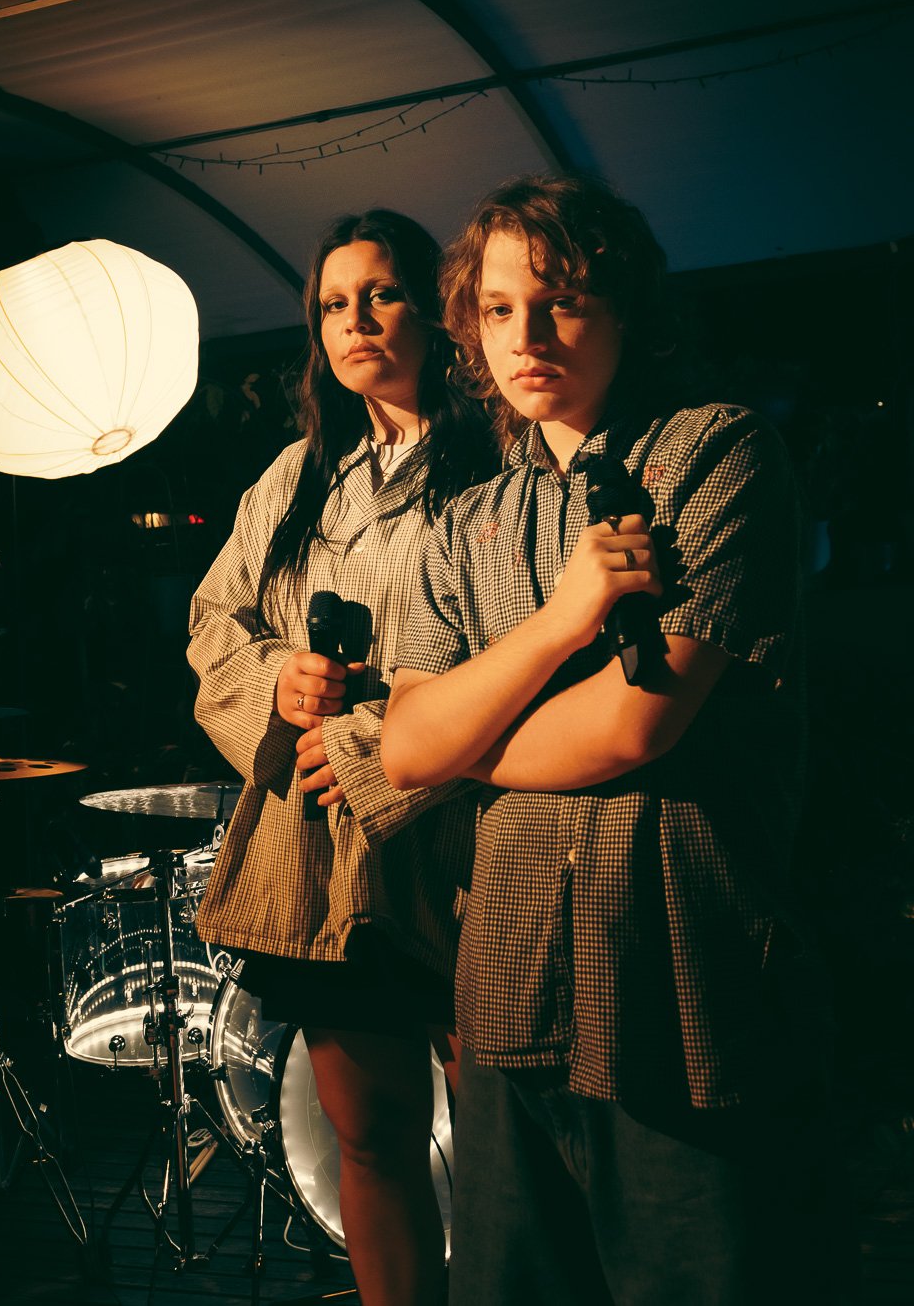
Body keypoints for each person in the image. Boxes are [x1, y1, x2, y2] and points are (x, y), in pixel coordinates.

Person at [381, 175, 839, 1305]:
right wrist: (560, 621)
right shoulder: (460, 521)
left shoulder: (711, 453)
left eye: (562, 299)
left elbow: (636, 722)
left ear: (628, 309)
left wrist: (469, 736)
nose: (526, 335)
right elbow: (402, 747)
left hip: (683, 966)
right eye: (496, 310)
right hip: (511, 977)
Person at [188, 209, 498, 1306]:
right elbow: (213, 620)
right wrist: (280, 679)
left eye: (382, 293)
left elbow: (518, 645)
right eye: (333, 301)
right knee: (370, 1140)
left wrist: (377, 732)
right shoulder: (300, 477)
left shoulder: (501, 460)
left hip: (464, 838)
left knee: (506, 1151)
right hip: (323, 851)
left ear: (438, 310)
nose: (356, 319)